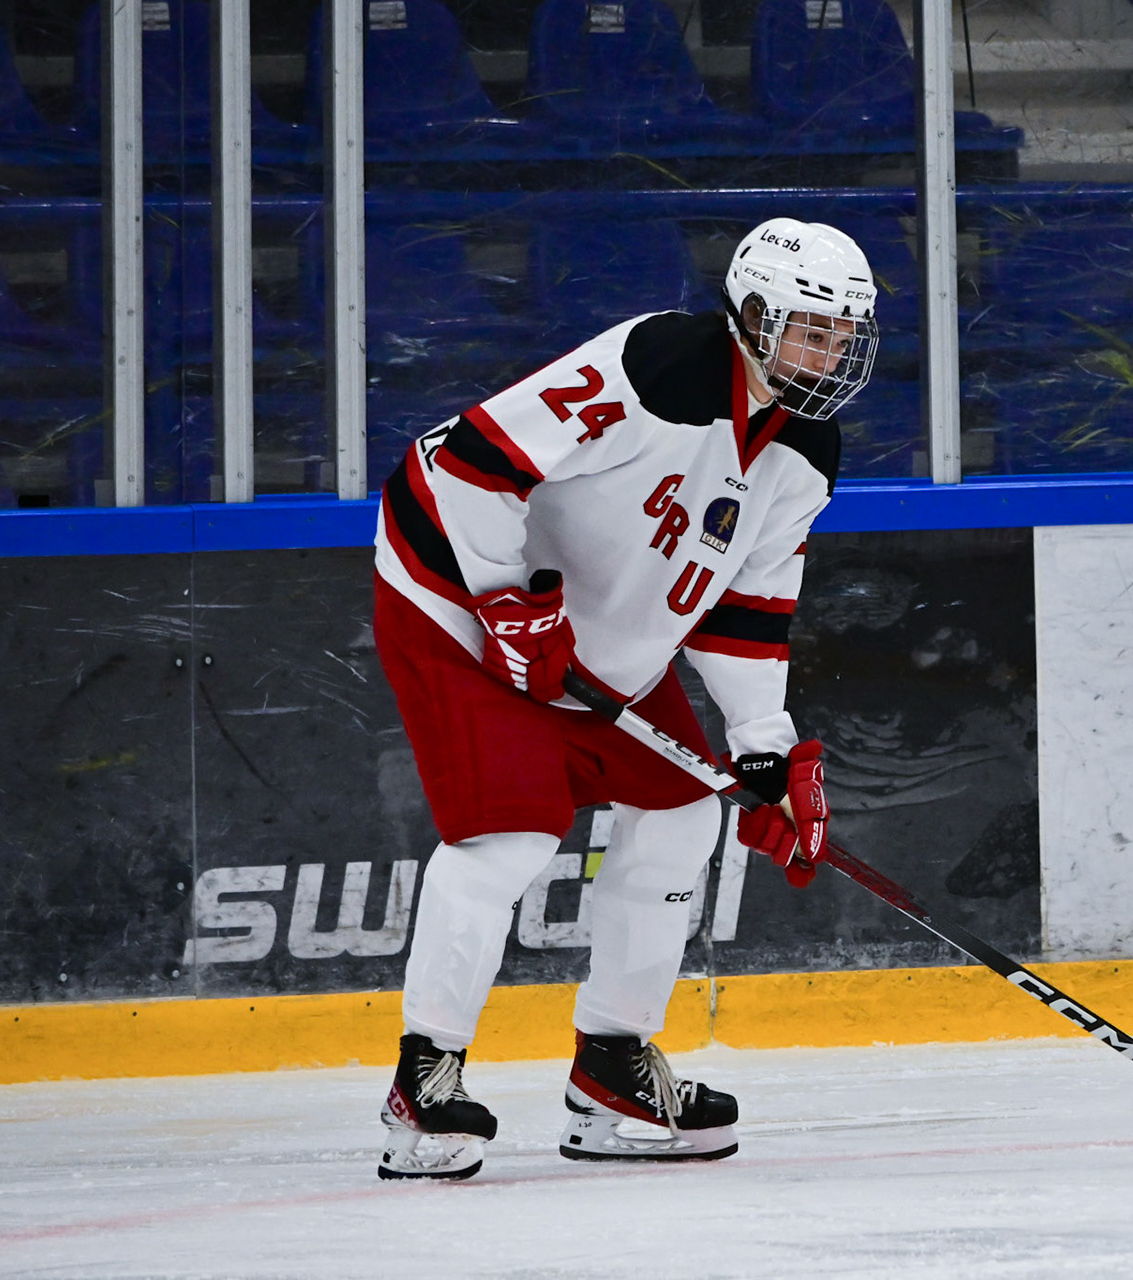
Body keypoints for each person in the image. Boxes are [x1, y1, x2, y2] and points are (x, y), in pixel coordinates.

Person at [369, 218, 878, 1178]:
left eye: (843, 335)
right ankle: (423, 1079)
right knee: (511, 836)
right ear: (753, 316)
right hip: (456, 592)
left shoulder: (809, 445)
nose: (831, 354)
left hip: (588, 636)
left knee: (684, 810)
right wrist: (506, 602)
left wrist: (764, 747)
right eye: (812, 331)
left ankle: (612, 1068)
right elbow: (475, 462)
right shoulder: (657, 364)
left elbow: (748, 604)